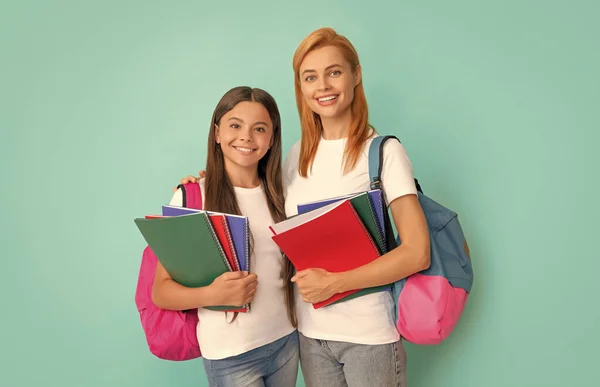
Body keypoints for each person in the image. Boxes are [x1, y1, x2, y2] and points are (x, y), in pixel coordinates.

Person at [176, 27, 430, 387]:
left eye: (334, 72)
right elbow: (249, 184)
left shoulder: (384, 152)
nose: (323, 86)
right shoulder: (295, 157)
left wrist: (336, 283)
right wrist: (202, 180)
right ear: (301, 87)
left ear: (356, 75)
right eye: (310, 77)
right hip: (309, 338)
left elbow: (418, 253)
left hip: (368, 337)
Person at [154, 86, 298, 387]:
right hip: (231, 355)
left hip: (287, 341)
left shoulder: (284, 194)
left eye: (259, 129)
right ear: (217, 132)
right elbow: (161, 291)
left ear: (272, 139)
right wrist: (213, 295)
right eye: (235, 125)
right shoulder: (192, 197)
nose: (246, 137)